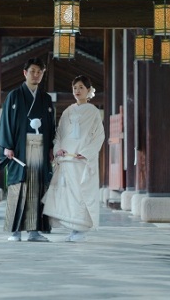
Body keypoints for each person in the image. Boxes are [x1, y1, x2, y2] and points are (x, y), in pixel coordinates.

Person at [0, 57, 56, 242]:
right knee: (18, 187)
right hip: (19, 149)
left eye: (39, 72)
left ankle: (34, 231)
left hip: (40, 148)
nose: (36, 75)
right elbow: (5, 122)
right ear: (25, 73)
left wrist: (52, 147)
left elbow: (51, 126)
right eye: (33, 71)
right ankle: (15, 232)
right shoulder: (14, 96)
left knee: (36, 188)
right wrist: (7, 145)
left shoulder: (45, 99)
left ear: (42, 74)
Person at [42, 75, 105, 242]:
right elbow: (59, 134)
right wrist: (58, 149)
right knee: (68, 195)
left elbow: (99, 136)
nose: (77, 91)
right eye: (75, 88)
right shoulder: (68, 111)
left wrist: (85, 152)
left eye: (81, 88)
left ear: (88, 90)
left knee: (81, 194)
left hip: (82, 160)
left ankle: (81, 230)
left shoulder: (93, 112)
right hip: (67, 160)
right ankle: (73, 229)